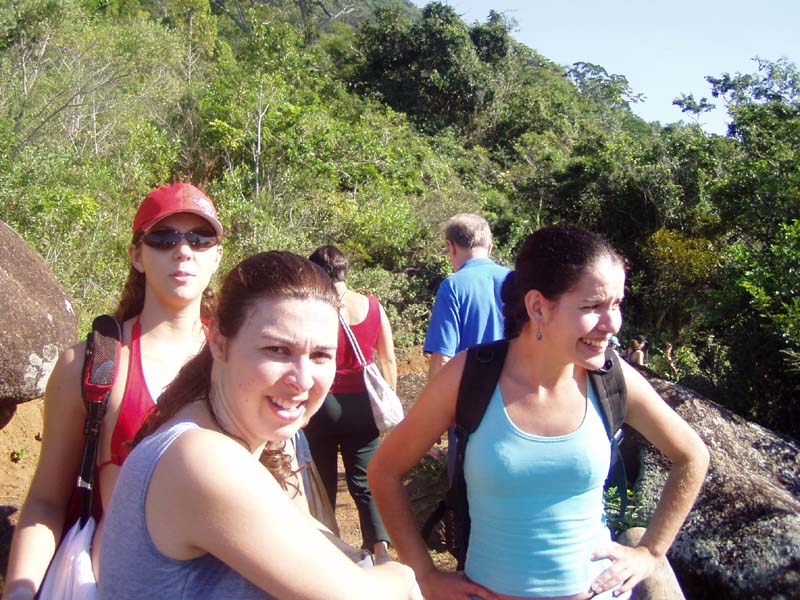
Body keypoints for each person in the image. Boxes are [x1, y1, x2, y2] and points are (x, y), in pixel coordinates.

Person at [368, 225, 709, 600]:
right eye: (592, 307)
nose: (613, 324)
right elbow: (384, 471)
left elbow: (692, 456)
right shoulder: (471, 376)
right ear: (537, 307)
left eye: (616, 304)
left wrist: (650, 552)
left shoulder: (611, 378)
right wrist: (424, 574)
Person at [97, 251, 421, 600]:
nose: (302, 380)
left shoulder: (245, 442)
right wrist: (402, 576)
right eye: (277, 350)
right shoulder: (202, 459)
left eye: (320, 355)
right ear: (219, 342)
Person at [3, 182, 224, 599]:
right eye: (163, 238)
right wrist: (20, 591)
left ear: (217, 254)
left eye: (200, 238)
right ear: (137, 255)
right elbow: (46, 502)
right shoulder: (89, 365)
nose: (183, 250)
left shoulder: (241, 361)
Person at [304, 244, 397, 564]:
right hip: (362, 406)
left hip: (322, 404)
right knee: (366, 481)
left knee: (322, 482)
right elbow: (388, 359)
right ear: (345, 270)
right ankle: (381, 551)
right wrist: (385, 399)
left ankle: (329, 552)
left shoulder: (314, 310)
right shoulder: (373, 306)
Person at [423, 213, 510, 478]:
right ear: (490, 246)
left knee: (465, 489)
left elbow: (443, 358)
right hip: (516, 402)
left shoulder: (453, 286)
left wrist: (431, 420)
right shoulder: (516, 281)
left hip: (468, 410)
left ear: (450, 246)